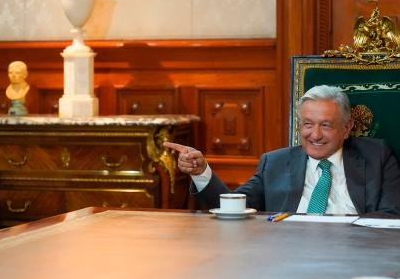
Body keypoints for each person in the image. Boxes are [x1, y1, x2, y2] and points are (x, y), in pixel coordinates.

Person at [164, 85, 400, 216]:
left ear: (347, 128)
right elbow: (232, 207)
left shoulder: (376, 156)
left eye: (326, 125)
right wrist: (201, 172)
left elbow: (393, 214)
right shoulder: (275, 163)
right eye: (307, 124)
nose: (315, 135)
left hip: (355, 254)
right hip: (288, 255)